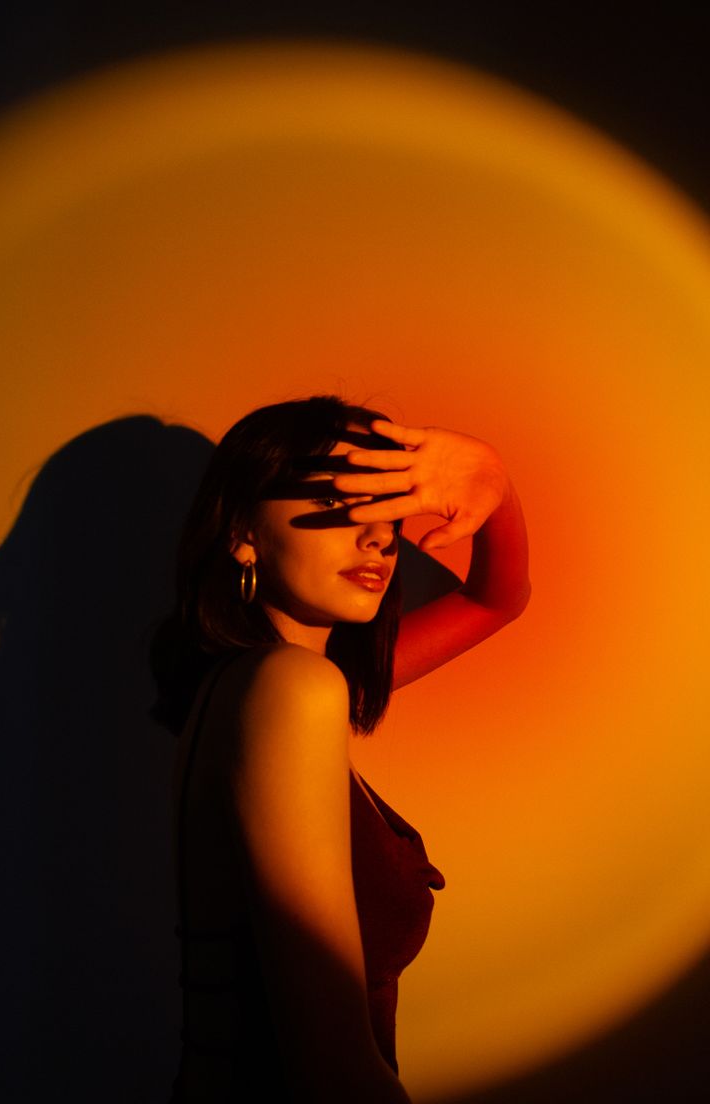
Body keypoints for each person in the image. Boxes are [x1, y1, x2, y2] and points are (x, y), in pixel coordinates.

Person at [151, 394, 530, 1103]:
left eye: (386, 508)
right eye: (336, 499)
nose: (378, 537)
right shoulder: (291, 687)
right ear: (242, 531)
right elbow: (334, 1073)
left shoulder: (251, 686)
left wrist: (495, 483)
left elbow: (496, 601)